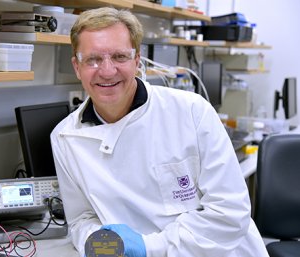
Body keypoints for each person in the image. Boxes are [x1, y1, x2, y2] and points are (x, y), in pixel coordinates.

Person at [50, 7, 269, 257]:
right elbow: (81, 219)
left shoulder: (191, 112)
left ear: (137, 60)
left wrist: (149, 248)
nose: (107, 71)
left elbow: (228, 214)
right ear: (77, 67)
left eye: (120, 57)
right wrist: (100, 241)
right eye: (93, 59)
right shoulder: (65, 138)